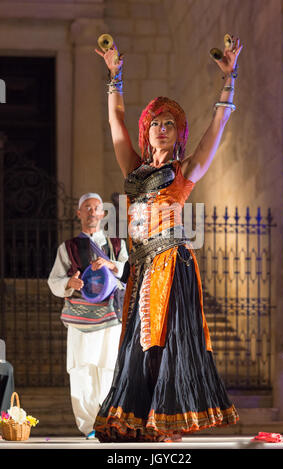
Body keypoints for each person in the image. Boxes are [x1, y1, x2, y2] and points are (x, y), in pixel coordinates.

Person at [93, 35, 242, 442]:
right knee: (138, 342)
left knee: (166, 341)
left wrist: (228, 81)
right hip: (141, 266)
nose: (162, 128)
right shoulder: (135, 168)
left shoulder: (184, 171)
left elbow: (218, 125)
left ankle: (167, 423)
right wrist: (115, 77)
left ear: (178, 134)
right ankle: (137, 418)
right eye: (156, 122)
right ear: (147, 132)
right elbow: (115, 123)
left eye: (170, 123)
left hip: (171, 263)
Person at [48, 193, 128, 438]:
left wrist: (110, 264)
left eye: (96, 208)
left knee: (107, 368)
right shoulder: (68, 247)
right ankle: (90, 426)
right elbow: (54, 281)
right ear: (79, 213)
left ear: (103, 214)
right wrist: (70, 282)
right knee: (82, 369)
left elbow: (126, 269)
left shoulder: (116, 245)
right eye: (87, 208)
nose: (92, 212)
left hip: (110, 316)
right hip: (80, 318)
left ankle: (108, 421)